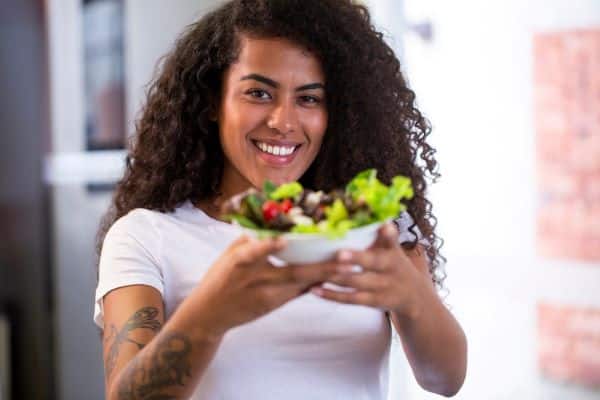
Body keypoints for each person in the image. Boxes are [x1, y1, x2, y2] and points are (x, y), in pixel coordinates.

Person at [93, 1, 467, 399]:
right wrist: (210, 314)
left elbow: (445, 380)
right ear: (212, 103)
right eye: (258, 93)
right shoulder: (146, 235)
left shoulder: (369, 228)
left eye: (308, 99)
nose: (283, 122)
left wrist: (411, 296)